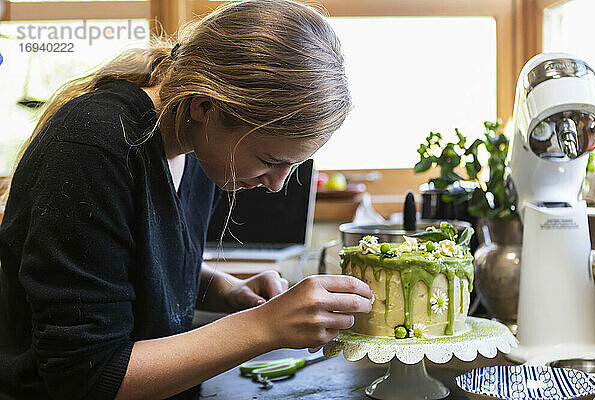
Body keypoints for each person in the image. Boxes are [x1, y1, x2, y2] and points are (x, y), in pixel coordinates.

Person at [0, 1, 373, 399]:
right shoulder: (93, 148)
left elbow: (130, 268)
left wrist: (225, 288)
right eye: (269, 160)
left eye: (293, 167)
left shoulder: (194, 146)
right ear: (205, 107)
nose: (278, 185)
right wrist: (264, 326)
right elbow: (90, 378)